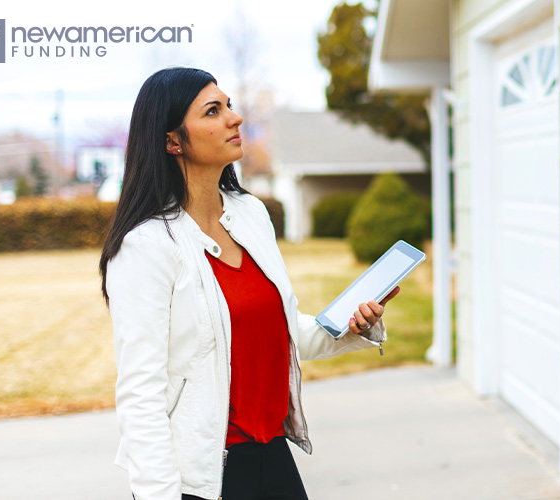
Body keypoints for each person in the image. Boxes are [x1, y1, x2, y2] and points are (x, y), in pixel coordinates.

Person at [99, 67, 398, 500]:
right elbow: (141, 395)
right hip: (199, 477)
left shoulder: (250, 214)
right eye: (213, 111)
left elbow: (283, 331)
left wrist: (352, 324)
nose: (234, 118)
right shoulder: (146, 247)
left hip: (272, 456)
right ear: (172, 141)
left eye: (230, 106)